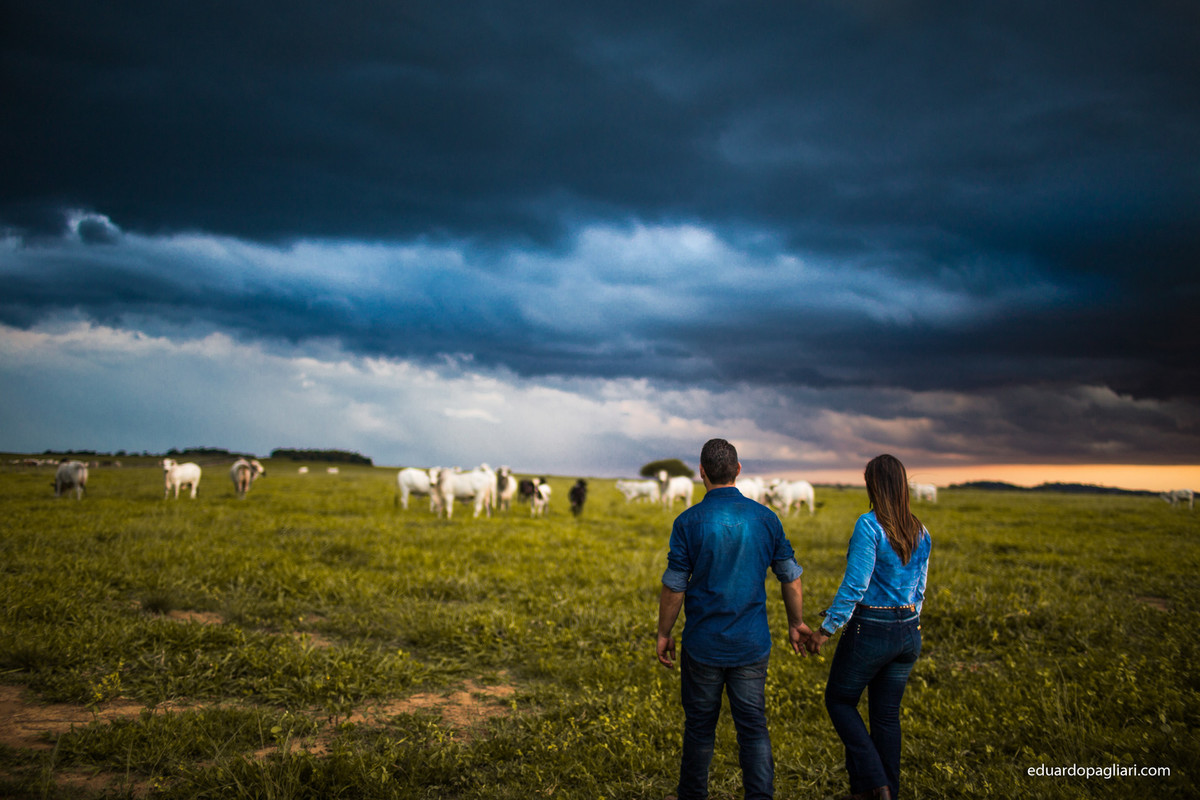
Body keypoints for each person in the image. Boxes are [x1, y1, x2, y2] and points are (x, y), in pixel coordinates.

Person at [656, 438, 811, 800]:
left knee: (699, 729)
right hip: (751, 644)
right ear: (738, 471)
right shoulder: (766, 518)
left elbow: (674, 586)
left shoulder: (687, 522)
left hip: (702, 645)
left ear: (702, 473)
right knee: (753, 729)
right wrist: (795, 622)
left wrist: (664, 632)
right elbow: (790, 575)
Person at [806, 454, 932, 800]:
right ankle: (885, 791)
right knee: (886, 717)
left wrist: (826, 629)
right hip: (908, 629)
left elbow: (855, 586)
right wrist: (907, 622)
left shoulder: (869, 525)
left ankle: (875, 786)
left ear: (872, 485)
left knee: (839, 701)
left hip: (871, 628)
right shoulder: (921, 529)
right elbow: (919, 589)